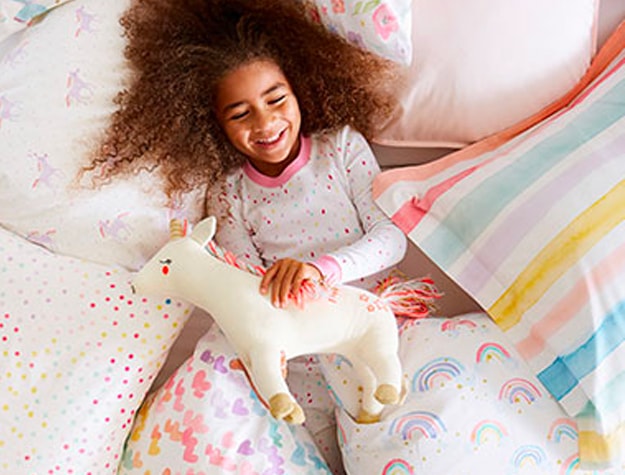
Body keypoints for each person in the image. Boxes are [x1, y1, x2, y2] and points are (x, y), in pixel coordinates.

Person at [85, 0, 438, 471]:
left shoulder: (342, 149)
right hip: (297, 361)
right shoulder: (231, 194)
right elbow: (244, 286)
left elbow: (390, 239)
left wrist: (320, 271)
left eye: (276, 99)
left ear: (299, 88)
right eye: (240, 113)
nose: (266, 123)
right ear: (215, 123)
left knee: (392, 441)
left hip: (368, 330)